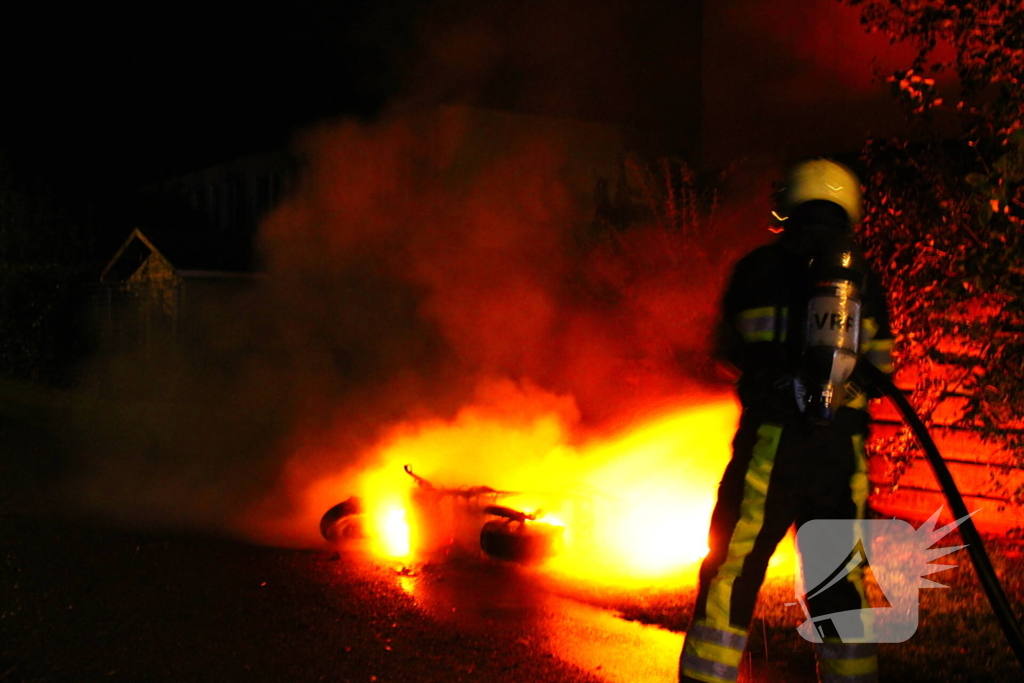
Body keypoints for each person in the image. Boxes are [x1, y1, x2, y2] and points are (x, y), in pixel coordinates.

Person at [679, 159, 894, 683]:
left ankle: (708, 676)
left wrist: (770, 376)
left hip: (771, 445)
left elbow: (725, 350)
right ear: (849, 208)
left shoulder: (756, 268)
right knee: (840, 584)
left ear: (789, 204)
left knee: (733, 569)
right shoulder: (862, 275)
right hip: (841, 454)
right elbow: (881, 370)